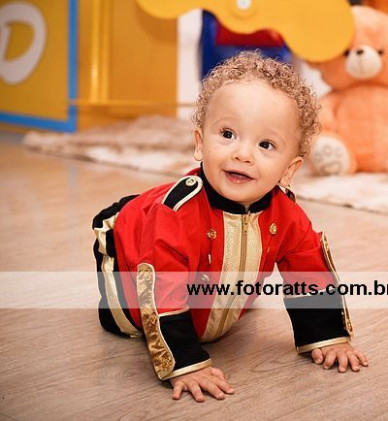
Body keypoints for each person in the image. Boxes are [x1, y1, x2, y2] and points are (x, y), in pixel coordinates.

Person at [92, 51, 369, 403]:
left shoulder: (286, 215)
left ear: (289, 169)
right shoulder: (175, 216)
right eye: (227, 134)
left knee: (235, 286)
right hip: (130, 251)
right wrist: (185, 363)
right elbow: (161, 290)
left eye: (266, 144)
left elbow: (309, 270)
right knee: (124, 320)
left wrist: (330, 337)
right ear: (199, 143)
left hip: (210, 280)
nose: (243, 154)